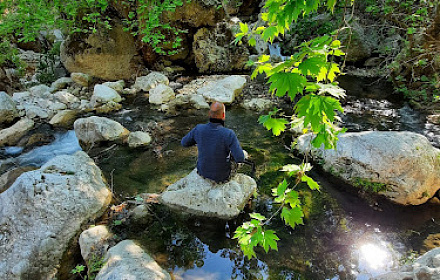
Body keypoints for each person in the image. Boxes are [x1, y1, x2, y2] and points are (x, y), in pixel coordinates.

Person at [181, 101, 245, 183]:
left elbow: (184, 143)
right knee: (243, 154)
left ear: (209, 114)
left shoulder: (199, 129)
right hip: (222, 177)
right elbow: (240, 159)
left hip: (202, 172)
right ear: (223, 115)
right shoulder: (229, 134)